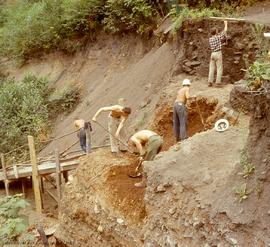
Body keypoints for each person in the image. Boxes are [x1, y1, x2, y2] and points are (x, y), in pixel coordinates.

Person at [208, 20, 228, 87]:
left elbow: (217, 43)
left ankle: (210, 82)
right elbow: (224, 31)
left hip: (212, 54)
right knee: (219, 68)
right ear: (216, 32)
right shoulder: (218, 37)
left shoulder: (210, 39)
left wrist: (221, 44)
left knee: (211, 68)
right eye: (217, 30)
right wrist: (225, 24)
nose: (217, 31)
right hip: (218, 53)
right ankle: (217, 83)